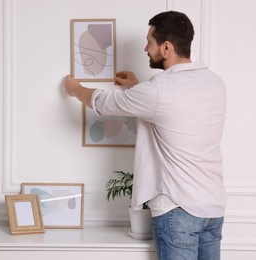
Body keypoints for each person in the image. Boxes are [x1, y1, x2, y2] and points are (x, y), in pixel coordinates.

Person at [63, 11, 226, 260]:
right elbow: (174, 110)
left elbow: (104, 102)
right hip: (212, 209)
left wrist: (75, 89)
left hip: (177, 210)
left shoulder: (158, 90)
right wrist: (137, 87)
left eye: (150, 42)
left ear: (167, 47)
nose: (145, 48)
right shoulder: (214, 83)